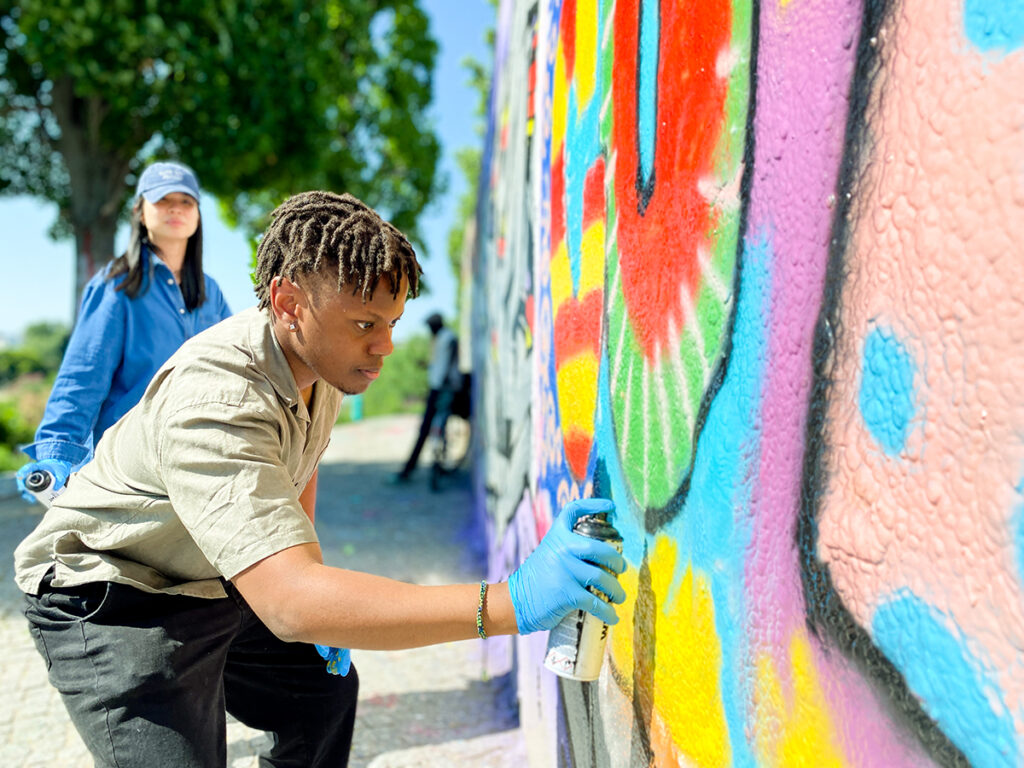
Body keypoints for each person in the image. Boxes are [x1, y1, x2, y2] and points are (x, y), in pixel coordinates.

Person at [13, 191, 626, 768]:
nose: (386, 346)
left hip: (210, 573)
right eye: (365, 323)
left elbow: (296, 473)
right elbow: (289, 603)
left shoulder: (321, 362)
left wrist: (313, 582)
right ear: (288, 303)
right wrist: (510, 603)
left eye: (393, 322)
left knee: (318, 693)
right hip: (113, 595)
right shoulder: (217, 398)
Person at [15, 160, 232, 503]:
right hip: (129, 469)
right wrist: (58, 452)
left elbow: (232, 372)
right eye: (163, 200)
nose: (176, 208)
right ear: (140, 212)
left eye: (186, 201)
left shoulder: (211, 293)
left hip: (198, 465)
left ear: (197, 215)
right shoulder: (116, 286)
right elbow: (83, 376)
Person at [392, 312, 461, 484]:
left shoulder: (447, 339)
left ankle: (411, 470)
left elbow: (444, 368)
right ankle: (416, 468)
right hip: (441, 388)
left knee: (428, 429)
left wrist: (438, 386)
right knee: (433, 429)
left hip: (442, 390)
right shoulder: (443, 338)